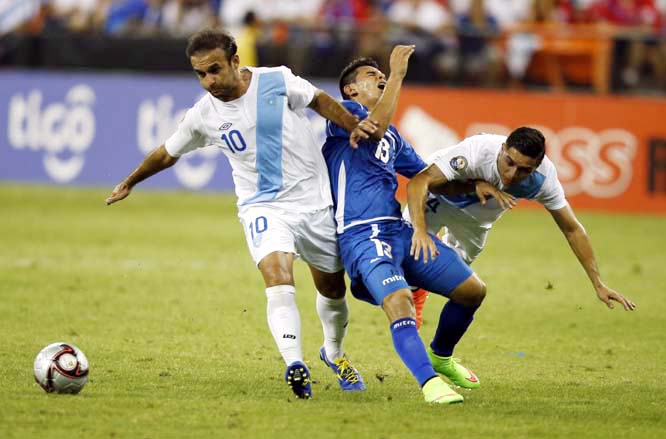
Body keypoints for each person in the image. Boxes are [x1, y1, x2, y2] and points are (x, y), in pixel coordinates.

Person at [105, 28, 374, 399]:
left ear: (235, 61)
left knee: (332, 288)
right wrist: (131, 181)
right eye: (200, 74)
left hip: (314, 202)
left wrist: (353, 125)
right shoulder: (203, 115)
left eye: (214, 70)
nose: (208, 81)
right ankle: (295, 364)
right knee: (278, 278)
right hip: (262, 206)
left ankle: (334, 352)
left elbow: (318, 100)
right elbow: (167, 152)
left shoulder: (276, 80)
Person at [321, 47, 505, 404]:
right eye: (370, 76)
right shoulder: (343, 115)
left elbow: (424, 176)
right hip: (362, 235)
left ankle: (440, 355)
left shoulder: (393, 138)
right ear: (350, 90)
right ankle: (429, 384)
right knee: (400, 300)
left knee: (472, 291)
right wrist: (398, 74)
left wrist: (471, 185)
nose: (380, 77)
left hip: (398, 230)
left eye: (382, 75)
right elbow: (375, 127)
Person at [406, 128, 636, 329]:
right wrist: (420, 229)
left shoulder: (544, 180)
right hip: (439, 198)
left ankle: (419, 290)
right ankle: (411, 295)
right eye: (509, 162)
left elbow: (572, 229)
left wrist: (598, 283)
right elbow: (420, 182)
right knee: (404, 252)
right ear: (503, 149)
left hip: (476, 222)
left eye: (524, 170)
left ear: (536, 167)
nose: (512, 174)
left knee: (448, 273)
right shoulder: (477, 151)